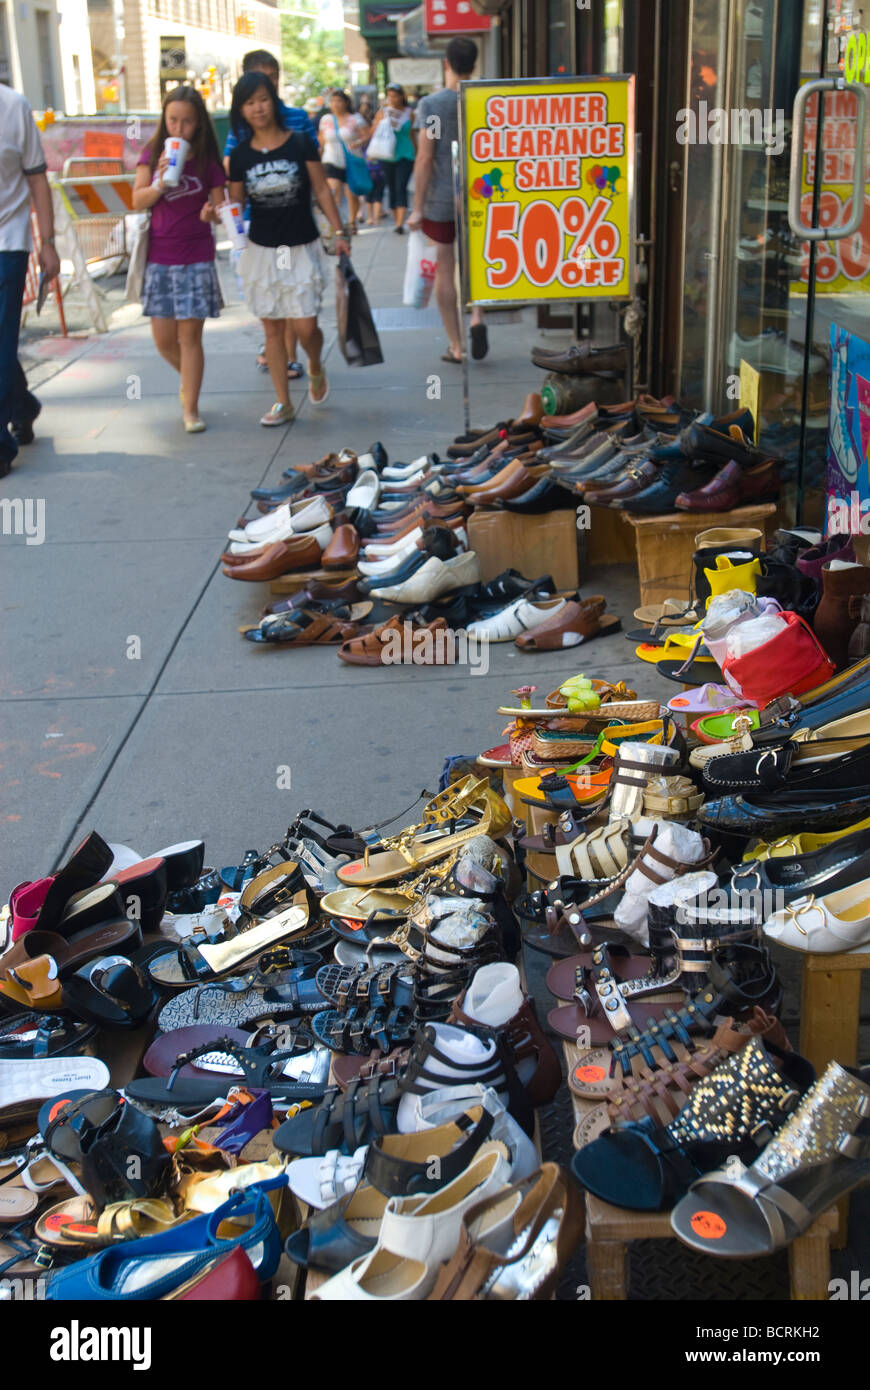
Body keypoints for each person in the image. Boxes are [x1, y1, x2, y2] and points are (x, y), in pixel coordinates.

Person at [227, 71, 349, 425]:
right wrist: (215, 212)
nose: (258, 108)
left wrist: (339, 231)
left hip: (300, 245)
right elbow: (235, 203)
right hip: (262, 249)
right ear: (241, 109)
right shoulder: (240, 156)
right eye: (249, 102)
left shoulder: (299, 142)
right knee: (273, 331)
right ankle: (283, 402)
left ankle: (314, 363)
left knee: (306, 327)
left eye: (263, 99)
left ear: (274, 100)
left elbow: (322, 190)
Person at [132, 86, 226, 433]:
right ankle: (190, 381)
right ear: (164, 118)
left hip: (197, 256)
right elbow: (138, 199)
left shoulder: (208, 162)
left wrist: (210, 214)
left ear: (199, 123)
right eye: (173, 120)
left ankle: (191, 408)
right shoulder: (152, 152)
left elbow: (221, 210)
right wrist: (159, 181)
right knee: (163, 340)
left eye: (187, 122)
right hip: (160, 257)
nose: (179, 129)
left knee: (190, 339)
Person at [224, 50, 317, 382]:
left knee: (294, 296)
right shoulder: (240, 128)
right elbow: (230, 170)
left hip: (294, 224)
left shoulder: (299, 121)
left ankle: (291, 355)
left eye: (273, 78)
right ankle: (277, 349)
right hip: (254, 223)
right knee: (270, 296)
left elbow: (314, 171)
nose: (261, 101)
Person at [409, 36, 487, 364]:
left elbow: (425, 158)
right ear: (475, 63)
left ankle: (457, 346)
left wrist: (416, 207)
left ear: (446, 63)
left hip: (442, 200)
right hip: (482, 196)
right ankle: (478, 316)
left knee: (445, 268)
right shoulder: (485, 99)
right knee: (479, 262)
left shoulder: (434, 106)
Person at [0, 83, 59, 476]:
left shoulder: (13, 107)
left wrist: (48, 243)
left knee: (2, 339)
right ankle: (22, 407)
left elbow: (37, 179)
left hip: (8, 241)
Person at [319, 90, 370, 234]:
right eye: (333, 101)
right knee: (333, 191)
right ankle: (336, 223)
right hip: (331, 159)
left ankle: (352, 221)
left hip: (352, 160)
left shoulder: (356, 118)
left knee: (351, 193)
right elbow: (321, 140)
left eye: (339, 101)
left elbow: (367, 135)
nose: (336, 104)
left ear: (346, 103)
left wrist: (358, 142)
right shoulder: (326, 119)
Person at [369, 83, 416, 235]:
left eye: (395, 95)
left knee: (401, 186)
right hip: (387, 155)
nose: (393, 99)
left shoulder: (410, 113)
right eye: (390, 96)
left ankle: (399, 223)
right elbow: (373, 132)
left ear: (402, 96)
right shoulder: (382, 113)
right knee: (392, 188)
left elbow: (413, 134)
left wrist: (419, 153)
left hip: (406, 155)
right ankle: (397, 218)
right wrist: (382, 122)